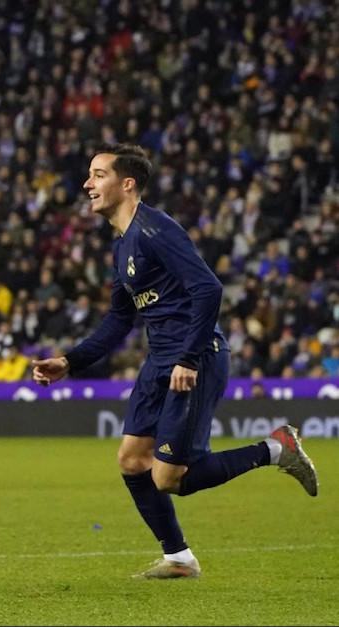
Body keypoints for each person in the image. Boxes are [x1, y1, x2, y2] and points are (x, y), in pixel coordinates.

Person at [32, 143, 318, 579]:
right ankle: (179, 558)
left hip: (195, 358)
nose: (87, 184)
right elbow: (118, 320)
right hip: (160, 361)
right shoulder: (122, 247)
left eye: (98, 175)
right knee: (131, 459)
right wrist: (70, 361)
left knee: (169, 478)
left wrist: (188, 356)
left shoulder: (155, 230)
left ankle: (276, 448)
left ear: (127, 184)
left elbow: (210, 289)